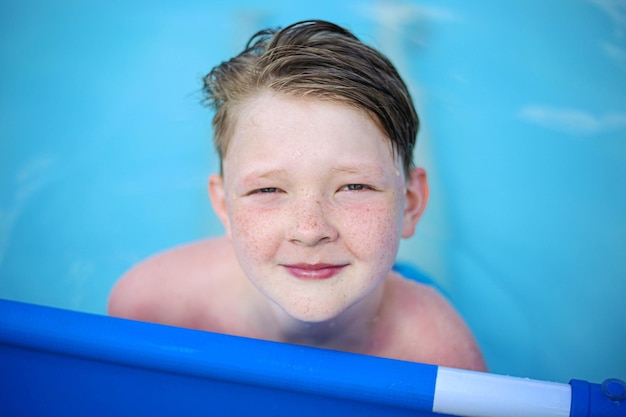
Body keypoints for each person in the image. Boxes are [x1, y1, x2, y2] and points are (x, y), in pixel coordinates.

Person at [108, 20, 486, 371]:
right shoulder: (152, 308)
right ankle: (245, 23)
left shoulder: (440, 352)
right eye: (267, 189)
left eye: (354, 186)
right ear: (223, 206)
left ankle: (395, 32)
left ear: (412, 204)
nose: (309, 231)